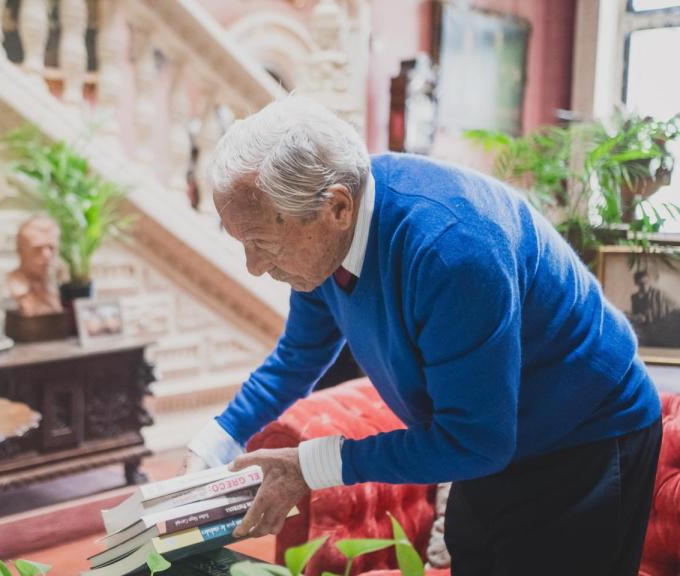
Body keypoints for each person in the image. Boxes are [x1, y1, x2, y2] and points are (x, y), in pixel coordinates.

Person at [184, 96, 662, 575]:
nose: (253, 266)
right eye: (242, 242)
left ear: (337, 207)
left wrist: (310, 465)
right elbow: (298, 356)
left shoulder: (452, 252)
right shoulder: (320, 248)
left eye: (262, 243)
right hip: (489, 442)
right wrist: (216, 442)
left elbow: (477, 442)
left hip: (587, 438)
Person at [7, 216, 63, 316]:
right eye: (37, 249)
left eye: (52, 248)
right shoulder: (10, 290)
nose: (47, 255)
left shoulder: (56, 289)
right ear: (20, 251)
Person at [629, 269, 680, 348]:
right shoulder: (635, 298)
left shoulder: (659, 294)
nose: (644, 286)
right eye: (641, 283)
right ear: (636, 283)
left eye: (646, 283)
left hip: (662, 327)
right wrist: (637, 317)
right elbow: (636, 314)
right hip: (647, 329)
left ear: (649, 282)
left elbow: (675, 307)